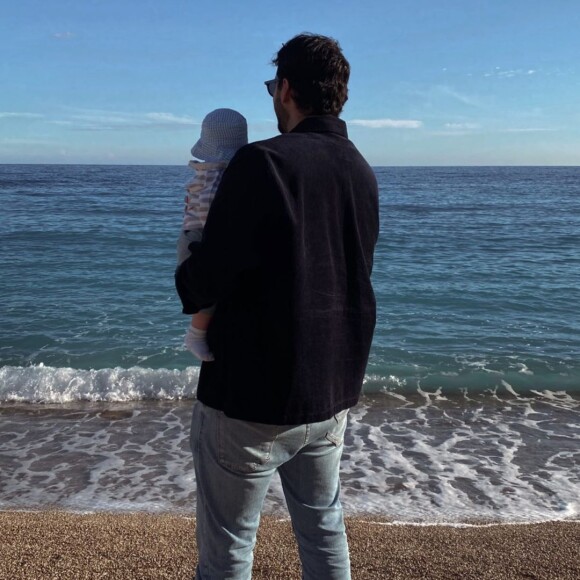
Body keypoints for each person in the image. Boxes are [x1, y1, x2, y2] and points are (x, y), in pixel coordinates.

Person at [175, 33, 379, 579]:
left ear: (286, 88)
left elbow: (208, 278)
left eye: (273, 87)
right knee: (322, 529)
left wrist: (188, 261)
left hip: (250, 397)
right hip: (330, 393)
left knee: (230, 547)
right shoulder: (361, 171)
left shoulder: (261, 161)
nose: (273, 98)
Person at [177, 108, 248, 361]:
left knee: (211, 291)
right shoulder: (217, 177)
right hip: (197, 238)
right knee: (208, 294)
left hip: (192, 235)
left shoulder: (207, 172)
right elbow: (212, 217)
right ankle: (195, 335)